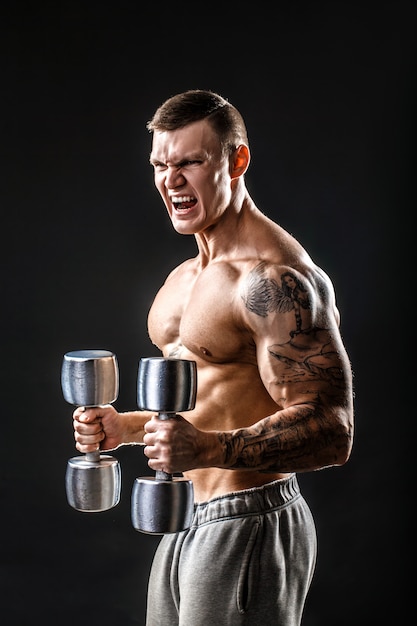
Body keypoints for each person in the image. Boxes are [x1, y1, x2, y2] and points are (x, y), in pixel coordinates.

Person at [72, 89, 354, 625]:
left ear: (237, 160)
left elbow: (332, 430)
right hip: (187, 515)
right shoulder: (186, 278)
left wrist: (206, 447)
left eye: (189, 163)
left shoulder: (274, 280)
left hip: (250, 519)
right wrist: (124, 428)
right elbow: (213, 402)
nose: (171, 181)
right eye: (160, 164)